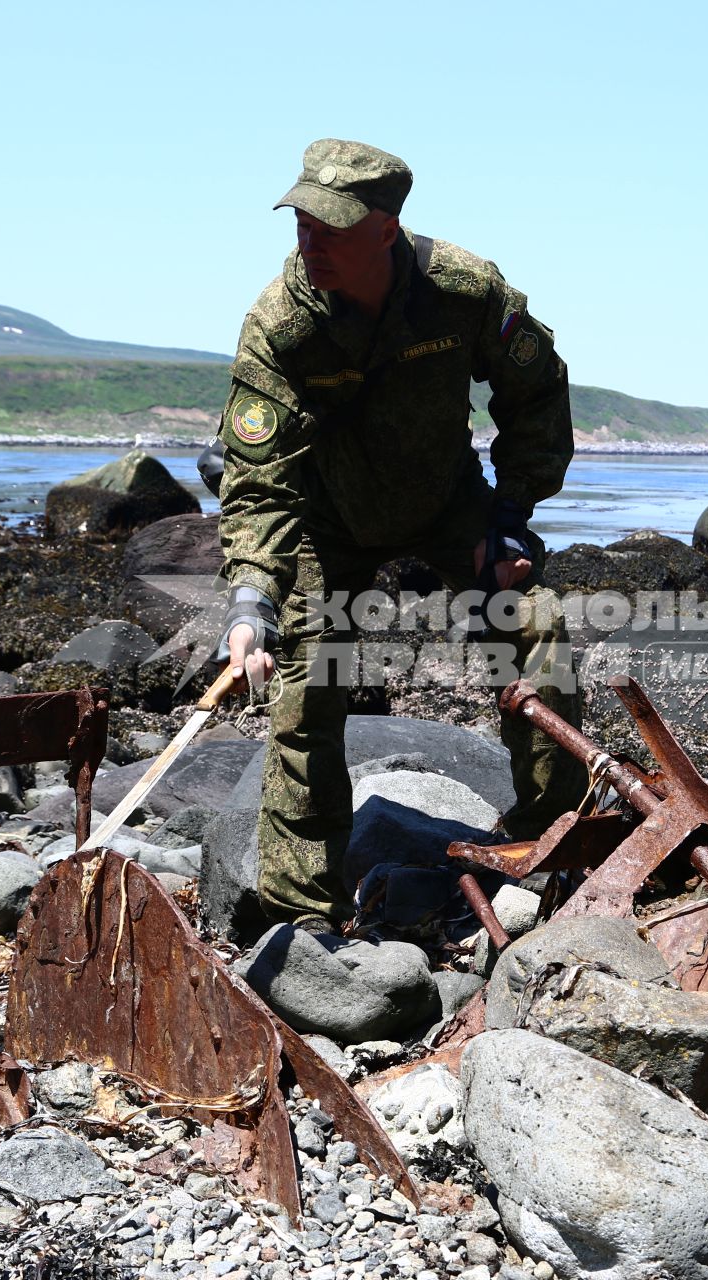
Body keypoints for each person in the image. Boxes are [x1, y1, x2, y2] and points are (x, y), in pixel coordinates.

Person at [214, 138, 587, 932]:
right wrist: (253, 599)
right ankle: (304, 916)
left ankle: (550, 850)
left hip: (448, 501)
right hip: (329, 517)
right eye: (302, 223)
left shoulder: (464, 290)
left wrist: (511, 513)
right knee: (308, 678)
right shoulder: (280, 324)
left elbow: (537, 388)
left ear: (386, 229)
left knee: (536, 623)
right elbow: (256, 478)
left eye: (332, 228)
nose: (309, 242)